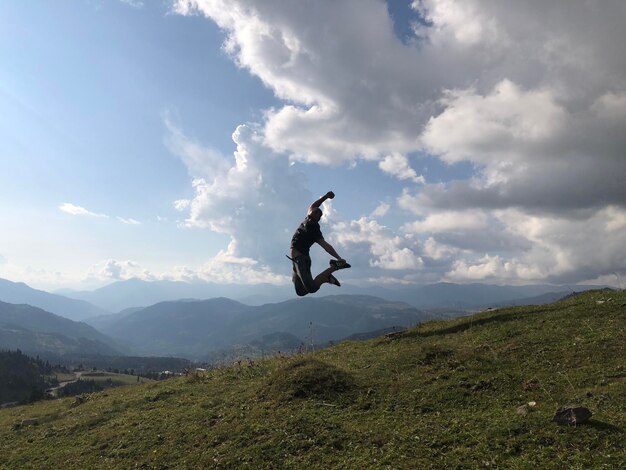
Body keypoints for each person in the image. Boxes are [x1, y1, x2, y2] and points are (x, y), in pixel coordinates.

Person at [289, 191, 351, 296]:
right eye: (312, 212)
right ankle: (326, 277)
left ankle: (334, 267)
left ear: (317, 219)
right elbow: (313, 206)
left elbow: (326, 246)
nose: (311, 214)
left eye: (314, 214)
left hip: (302, 260)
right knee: (300, 291)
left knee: (312, 288)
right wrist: (326, 197)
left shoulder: (314, 230)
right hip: (296, 260)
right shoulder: (308, 218)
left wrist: (339, 258)